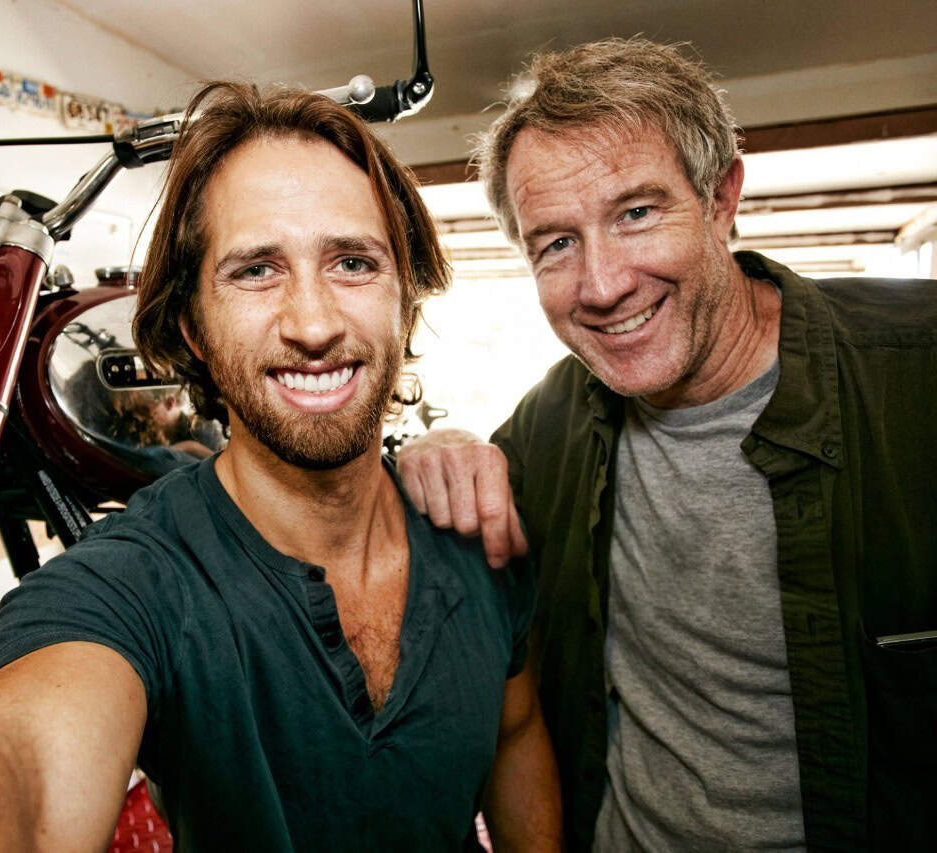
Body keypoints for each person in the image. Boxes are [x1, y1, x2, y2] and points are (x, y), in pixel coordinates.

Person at [0, 82, 561, 851]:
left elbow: (517, 729)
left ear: (405, 296)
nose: (315, 322)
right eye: (256, 270)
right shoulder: (130, 586)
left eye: (353, 262)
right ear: (192, 327)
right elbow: (22, 763)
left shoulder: (476, 527)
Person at [398, 38, 937, 852]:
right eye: (557, 244)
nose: (605, 283)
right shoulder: (556, 417)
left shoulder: (916, 379)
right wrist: (438, 443)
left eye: (637, 213)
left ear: (722, 198)